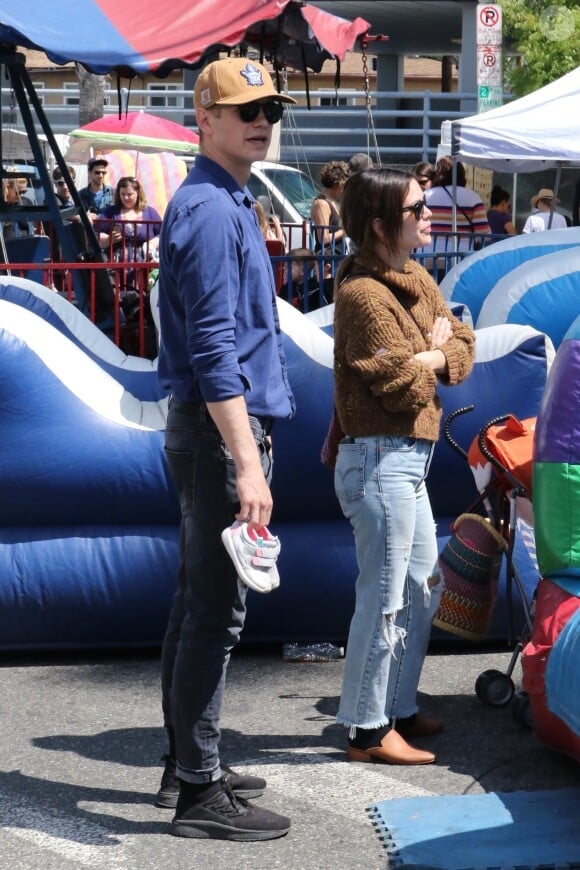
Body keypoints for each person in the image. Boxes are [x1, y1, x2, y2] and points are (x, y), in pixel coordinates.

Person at [156, 56, 296, 842]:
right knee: (216, 612)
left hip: (210, 432)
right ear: (203, 119)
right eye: (244, 109)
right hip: (219, 437)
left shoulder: (223, 199)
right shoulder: (211, 209)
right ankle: (199, 790)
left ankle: (189, 762)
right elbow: (214, 349)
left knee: (196, 603)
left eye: (269, 108)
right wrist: (247, 463)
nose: (261, 120)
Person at [331, 168, 475, 766]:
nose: (428, 214)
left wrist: (435, 353)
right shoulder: (362, 294)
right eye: (417, 209)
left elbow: (466, 346)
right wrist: (433, 354)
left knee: (421, 588)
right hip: (380, 460)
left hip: (405, 461)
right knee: (386, 596)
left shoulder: (416, 275)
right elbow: (397, 388)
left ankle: (397, 706)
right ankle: (367, 730)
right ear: (381, 225)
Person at [97, 176, 162, 262]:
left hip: (145, 268)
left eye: (129, 194)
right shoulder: (110, 212)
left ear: (137, 193)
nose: (126, 198)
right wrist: (108, 239)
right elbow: (95, 234)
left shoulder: (150, 212)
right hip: (116, 269)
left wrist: (152, 243)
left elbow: (164, 233)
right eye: (123, 194)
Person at [310, 160, 351, 255]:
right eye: (345, 185)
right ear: (338, 184)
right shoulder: (321, 204)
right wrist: (346, 231)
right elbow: (323, 238)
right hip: (328, 260)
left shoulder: (333, 202)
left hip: (337, 255)